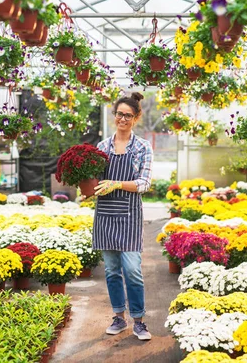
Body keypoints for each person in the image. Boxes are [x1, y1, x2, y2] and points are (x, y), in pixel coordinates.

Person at [92, 92, 154, 341]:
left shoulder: (141, 148)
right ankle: (119, 317)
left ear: (136, 117)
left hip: (129, 216)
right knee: (111, 270)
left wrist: (116, 183)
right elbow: (95, 180)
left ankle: (139, 320)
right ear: (114, 115)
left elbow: (144, 183)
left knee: (132, 270)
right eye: (120, 114)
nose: (123, 119)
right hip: (105, 215)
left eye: (128, 115)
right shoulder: (102, 147)